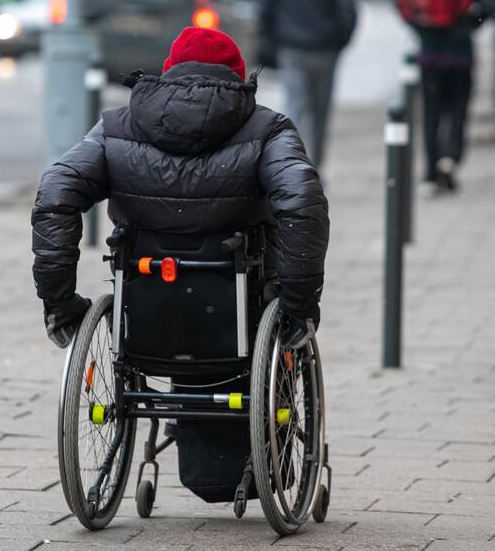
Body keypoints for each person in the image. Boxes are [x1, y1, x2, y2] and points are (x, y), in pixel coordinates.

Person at [31, 27, 329, 351]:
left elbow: (56, 190)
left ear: (169, 71)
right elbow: (303, 202)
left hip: (144, 297)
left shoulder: (116, 128)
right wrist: (299, 308)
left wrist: (59, 305)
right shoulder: (268, 130)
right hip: (242, 302)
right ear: (238, 78)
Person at [260, 0, 357, 169]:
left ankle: (289, 167)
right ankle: (315, 167)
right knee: (320, 113)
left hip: (291, 48)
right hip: (324, 50)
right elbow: (347, 12)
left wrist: (273, 40)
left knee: (294, 106)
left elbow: (268, 6)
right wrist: (338, 43)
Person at [406, 0, 493, 193]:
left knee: (431, 112)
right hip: (460, 53)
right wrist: (468, 25)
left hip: (430, 52)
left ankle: (430, 173)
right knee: (458, 110)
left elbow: (408, 2)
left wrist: (423, 30)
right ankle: (450, 158)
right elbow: (489, 3)